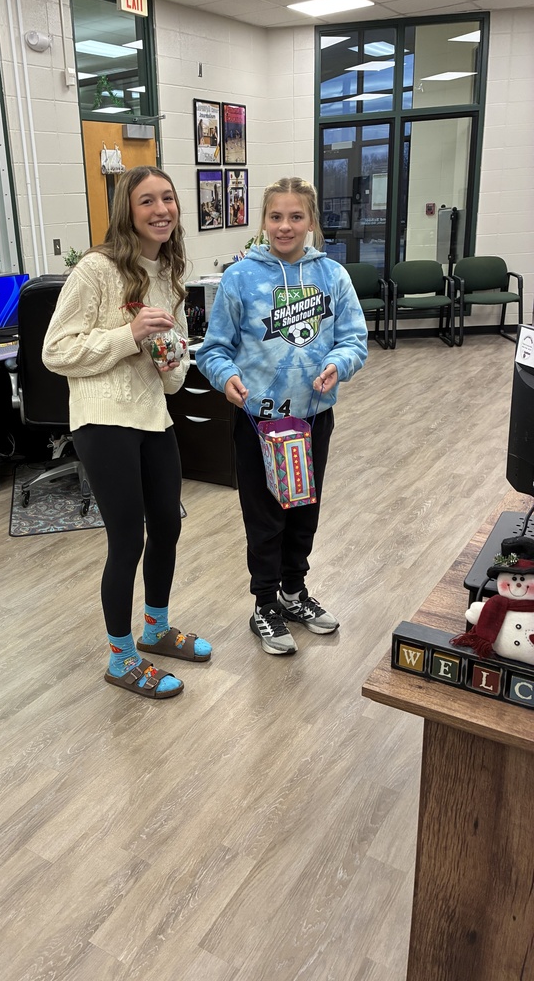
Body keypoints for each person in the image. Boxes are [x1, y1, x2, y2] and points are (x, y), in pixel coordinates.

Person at [42, 166, 212, 699]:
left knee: (167, 526)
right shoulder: (95, 270)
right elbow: (55, 351)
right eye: (147, 201)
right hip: (102, 418)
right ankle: (120, 658)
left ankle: (156, 630)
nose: (161, 209)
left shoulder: (168, 270)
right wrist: (128, 334)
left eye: (168, 199)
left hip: (150, 416)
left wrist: (170, 358)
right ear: (127, 212)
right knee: (126, 541)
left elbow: (173, 373)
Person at [196, 176, 367, 655]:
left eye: (296, 216)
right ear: (263, 220)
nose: (285, 226)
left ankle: (294, 592)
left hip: (312, 419)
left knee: (304, 511)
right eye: (276, 216)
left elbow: (354, 339)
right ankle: (264, 604)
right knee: (265, 515)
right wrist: (224, 376)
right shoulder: (240, 278)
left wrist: (338, 364)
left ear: (311, 220)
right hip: (258, 422)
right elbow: (214, 350)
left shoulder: (333, 276)